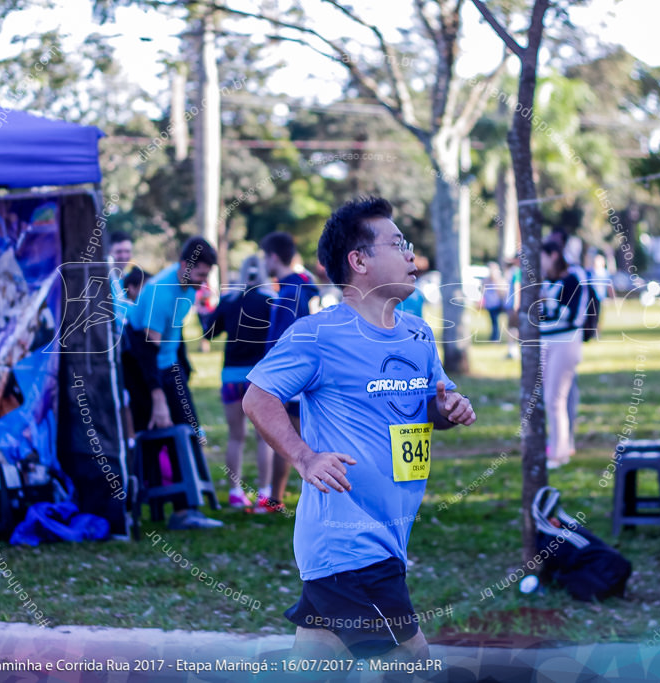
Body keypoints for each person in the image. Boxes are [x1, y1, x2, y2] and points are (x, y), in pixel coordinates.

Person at [242, 196, 475, 662]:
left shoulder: (418, 334)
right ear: (359, 260)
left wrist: (447, 411)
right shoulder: (318, 335)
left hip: (387, 536)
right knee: (411, 665)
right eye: (397, 243)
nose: (411, 254)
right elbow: (258, 397)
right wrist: (305, 457)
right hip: (349, 541)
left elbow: (423, 411)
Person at [126, 236, 223, 530]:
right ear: (185, 266)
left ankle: (187, 509)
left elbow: (173, 337)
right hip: (141, 370)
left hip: (168, 367)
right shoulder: (160, 292)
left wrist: (183, 373)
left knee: (189, 430)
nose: (204, 282)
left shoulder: (188, 289)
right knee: (156, 436)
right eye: (201, 275)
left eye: (208, 275)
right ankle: (150, 509)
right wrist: (158, 399)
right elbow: (146, 350)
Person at [203, 255, 274, 509]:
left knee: (236, 436)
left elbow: (208, 333)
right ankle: (264, 494)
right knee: (264, 437)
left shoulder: (229, 301)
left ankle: (235, 493)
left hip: (231, 376)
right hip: (259, 377)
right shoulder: (270, 302)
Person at [259, 231, 320, 513]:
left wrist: (274, 379)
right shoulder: (302, 286)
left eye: (264, 256)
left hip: (293, 378)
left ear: (273, 257)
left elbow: (282, 341)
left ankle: (276, 500)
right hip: (304, 375)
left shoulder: (289, 292)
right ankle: (276, 498)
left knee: (287, 440)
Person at [539, 241, 586, 469]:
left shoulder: (572, 280)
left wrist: (547, 306)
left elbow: (570, 314)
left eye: (543, 257)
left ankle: (559, 453)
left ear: (554, 255)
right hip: (545, 342)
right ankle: (557, 446)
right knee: (548, 399)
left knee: (555, 399)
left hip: (565, 343)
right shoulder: (546, 282)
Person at [481, 262, 506, 342]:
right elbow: (483, 291)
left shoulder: (498, 280)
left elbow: (501, 292)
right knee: (493, 321)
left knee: (495, 322)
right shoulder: (486, 280)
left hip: (496, 304)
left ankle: (495, 338)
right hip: (489, 304)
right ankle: (494, 336)